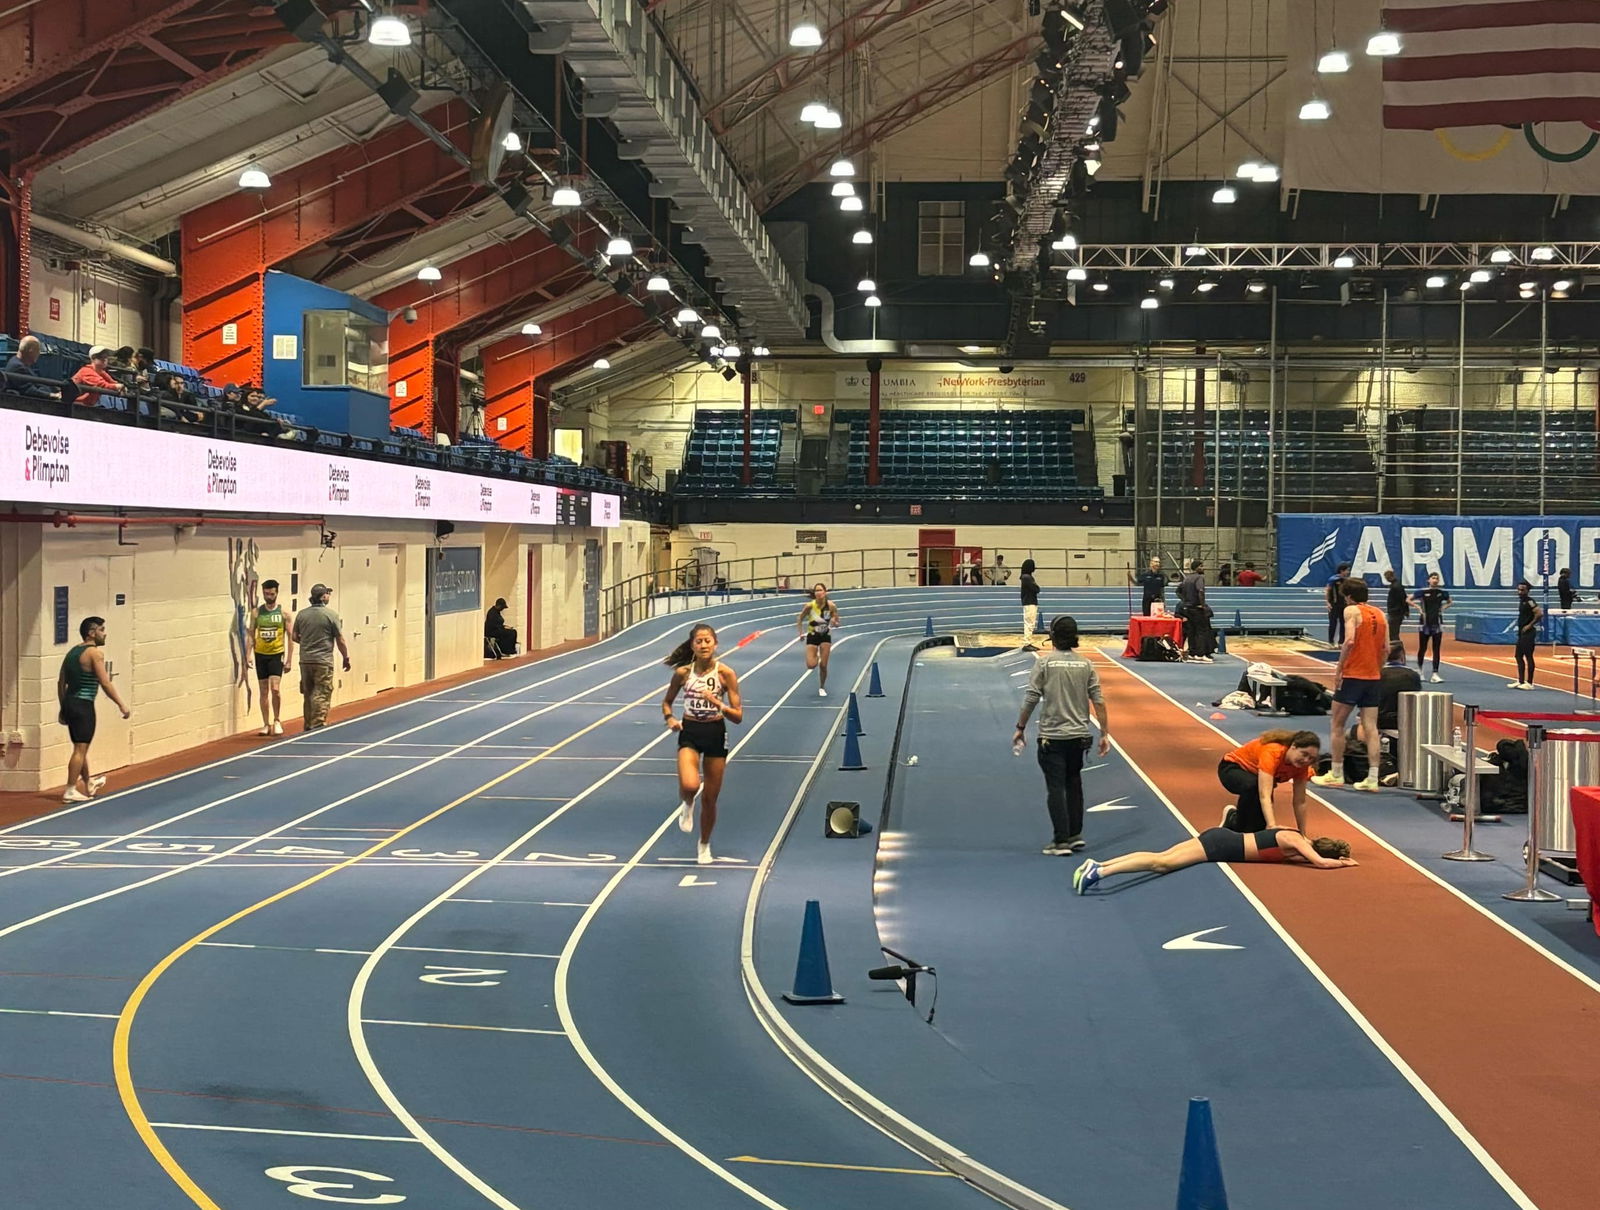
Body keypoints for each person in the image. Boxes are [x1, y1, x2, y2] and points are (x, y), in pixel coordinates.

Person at [1014, 615, 1112, 855]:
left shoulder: (1044, 664)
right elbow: (1098, 700)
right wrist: (1104, 733)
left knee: (1056, 787)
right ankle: (1075, 834)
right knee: (1074, 782)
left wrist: (1020, 727)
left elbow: (1031, 697)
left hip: (1052, 736)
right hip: (1079, 736)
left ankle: (1060, 841)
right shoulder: (1086, 665)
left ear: (1054, 638)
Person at [661, 623, 743, 865]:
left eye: (708, 641)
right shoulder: (683, 674)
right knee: (690, 785)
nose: (704, 645)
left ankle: (704, 844)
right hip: (690, 731)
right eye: (699, 641)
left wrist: (718, 704)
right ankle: (687, 802)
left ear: (715, 644)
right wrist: (670, 719)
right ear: (693, 646)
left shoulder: (725, 674)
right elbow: (666, 702)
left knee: (710, 798)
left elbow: (738, 716)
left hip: (716, 732)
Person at [1073, 829, 1355, 893]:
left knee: (1161, 858)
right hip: (1221, 845)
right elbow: (1321, 864)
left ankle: (1100, 865)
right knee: (1163, 864)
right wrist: (1344, 864)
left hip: (1222, 840)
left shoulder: (1297, 842)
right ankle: (1100, 872)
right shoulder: (1296, 841)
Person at [1312, 577, 1387, 791]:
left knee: (1336, 725)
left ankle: (1336, 773)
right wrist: (1377, 669)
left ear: (1349, 597)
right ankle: (1373, 778)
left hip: (1353, 675)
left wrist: (1340, 668)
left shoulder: (1351, 611)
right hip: (1373, 677)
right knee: (1371, 728)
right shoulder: (1381, 614)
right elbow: (1386, 648)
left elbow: (1350, 640)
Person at [57, 616, 130, 803]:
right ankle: (70, 789)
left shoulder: (72, 652)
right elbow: (105, 682)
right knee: (80, 749)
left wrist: (63, 706)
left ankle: (88, 782)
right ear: (92, 632)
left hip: (71, 703)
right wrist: (121, 704)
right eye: (102, 629)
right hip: (83, 705)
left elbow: (61, 682)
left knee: (80, 747)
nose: (105, 633)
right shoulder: (94, 654)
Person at [1218, 729, 1320, 834]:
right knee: (1254, 789)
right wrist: (1272, 825)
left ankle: (1237, 822)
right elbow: (1264, 795)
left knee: (1260, 817)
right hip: (1232, 769)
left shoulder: (1303, 767)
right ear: (1293, 746)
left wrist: (1302, 834)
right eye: (1304, 754)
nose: (1306, 760)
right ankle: (1237, 828)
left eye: (1311, 758)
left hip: (1255, 777)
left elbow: (1300, 802)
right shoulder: (1273, 752)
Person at [290, 583, 350, 730]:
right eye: (327, 594)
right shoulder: (331, 615)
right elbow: (340, 639)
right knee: (321, 693)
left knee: (308, 693)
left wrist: (307, 643)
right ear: (323, 597)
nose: (329, 596)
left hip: (305, 661)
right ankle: (317, 725)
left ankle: (308, 723)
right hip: (323, 661)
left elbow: (294, 637)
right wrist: (345, 657)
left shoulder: (302, 615)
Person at [247, 579, 292, 736]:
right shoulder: (256, 613)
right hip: (261, 655)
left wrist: (289, 659)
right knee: (263, 690)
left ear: (276, 593)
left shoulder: (283, 614)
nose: (269, 596)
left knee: (275, 689)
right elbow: (251, 635)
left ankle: (277, 720)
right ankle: (266, 724)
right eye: (266, 594)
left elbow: (290, 636)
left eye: (272, 594)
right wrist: (248, 655)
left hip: (276, 654)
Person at [796, 583, 839, 697]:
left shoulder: (831, 606)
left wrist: (835, 622)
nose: (818, 592)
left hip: (825, 636)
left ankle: (822, 687)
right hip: (812, 635)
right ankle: (819, 655)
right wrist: (800, 633)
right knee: (811, 665)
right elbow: (800, 618)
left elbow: (837, 620)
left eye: (820, 590)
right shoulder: (809, 606)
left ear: (825, 592)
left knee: (823, 666)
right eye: (816, 591)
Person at [1410, 572, 1451, 682]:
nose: (1435, 580)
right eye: (1433, 578)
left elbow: (1450, 601)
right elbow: (1408, 599)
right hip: (1424, 623)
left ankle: (1435, 674)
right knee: (1422, 648)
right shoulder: (1422, 592)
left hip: (1437, 623)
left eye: (1437, 578)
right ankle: (1420, 671)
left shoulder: (1442, 593)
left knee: (1436, 649)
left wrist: (1443, 608)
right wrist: (1418, 607)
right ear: (1428, 580)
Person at [1178, 560, 1214, 662]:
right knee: (1201, 631)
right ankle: (1200, 654)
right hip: (1197, 608)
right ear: (1197, 568)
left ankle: (1192, 653)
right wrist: (1202, 605)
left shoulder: (1187, 578)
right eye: (1201, 566)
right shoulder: (1200, 577)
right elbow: (1200, 591)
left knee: (1191, 632)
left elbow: (1178, 590)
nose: (1203, 568)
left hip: (1187, 608)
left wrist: (1184, 600)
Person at [1511, 579, 1541, 690]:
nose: (1519, 592)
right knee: (1518, 656)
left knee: (1528, 656)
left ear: (1527, 591)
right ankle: (1520, 680)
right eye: (1518, 589)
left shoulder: (1530, 601)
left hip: (1529, 633)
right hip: (1521, 633)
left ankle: (1530, 682)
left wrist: (1529, 625)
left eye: (1522, 590)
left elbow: (1539, 613)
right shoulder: (1521, 601)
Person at [1325, 563, 1352, 644]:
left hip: (1344, 605)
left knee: (1343, 624)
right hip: (1334, 604)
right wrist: (1328, 603)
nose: (1348, 572)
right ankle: (1331, 641)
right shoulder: (1333, 579)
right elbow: (1327, 590)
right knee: (1333, 623)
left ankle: (1341, 641)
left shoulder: (1347, 580)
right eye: (1347, 570)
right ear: (1342, 571)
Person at [1383, 569, 1410, 642]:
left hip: (1396, 612)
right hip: (1395, 612)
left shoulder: (1396, 586)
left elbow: (1403, 599)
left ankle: (1396, 648)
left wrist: (1406, 611)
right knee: (1393, 632)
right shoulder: (1396, 585)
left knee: (1393, 632)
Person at [1019, 558, 1040, 648]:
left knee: (1030, 623)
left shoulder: (1025, 577)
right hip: (1030, 601)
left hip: (1029, 601)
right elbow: (1036, 589)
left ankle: (1028, 642)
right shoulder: (1027, 577)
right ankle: (1027, 642)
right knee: (1029, 623)